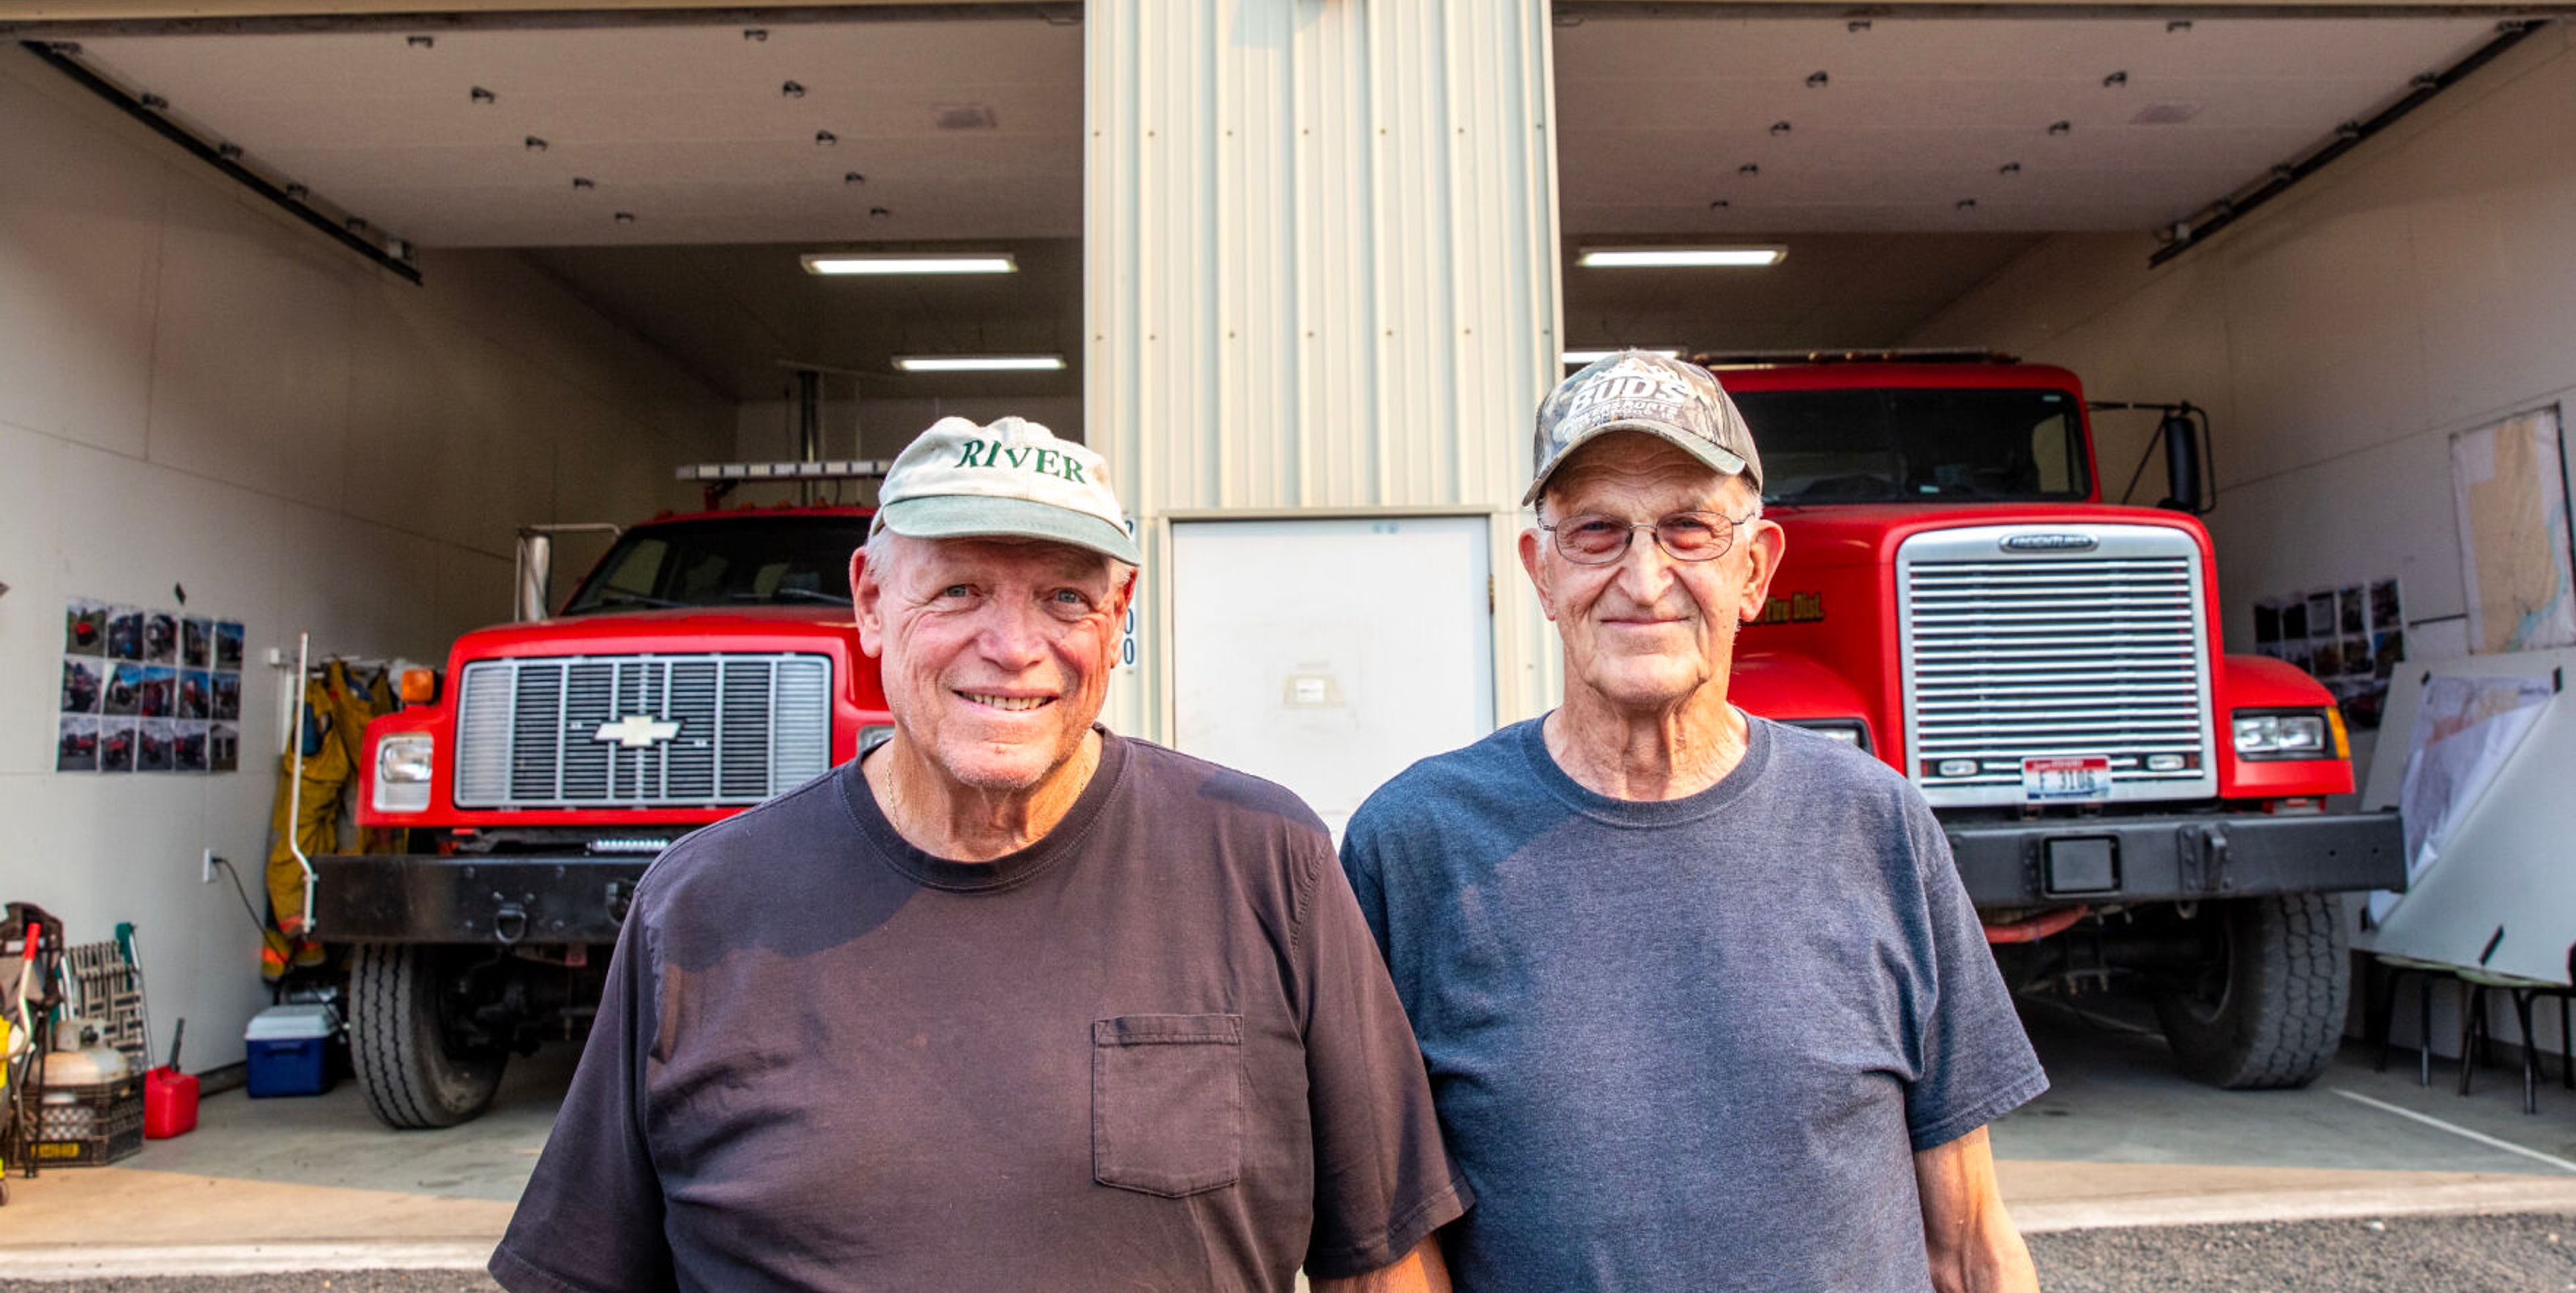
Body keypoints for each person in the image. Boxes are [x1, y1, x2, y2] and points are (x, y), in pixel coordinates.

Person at [494, 416, 1464, 1293]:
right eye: (960, 588)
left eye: (1062, 597)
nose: (1014, 645)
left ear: (1118, 612)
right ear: (871, 601)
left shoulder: (1267, 865)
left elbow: (1382, 1266)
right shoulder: (702, 907)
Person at [1341, 352, 2047, 1293]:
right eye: (1597, 530)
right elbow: (1385, 1254)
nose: (1644, 577)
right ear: (1541, 573)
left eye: (1687, 528)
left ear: (1754, 568)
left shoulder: (1874, 823)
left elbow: (1969, 1242)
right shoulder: (1417, 843)